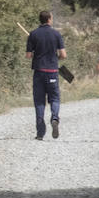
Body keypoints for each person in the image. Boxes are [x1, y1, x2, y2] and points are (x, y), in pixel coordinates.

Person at [25, 11, 66, 140]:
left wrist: (36, 52)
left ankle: (40, 132)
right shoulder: (56, 34)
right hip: (52, 71)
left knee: (39, 101)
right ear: (49, 19)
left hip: (38, 72)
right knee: (54, 98)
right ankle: (54, 118)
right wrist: (56, 57)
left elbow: (28, 55)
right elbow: (63, 55)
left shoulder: (33, 34)